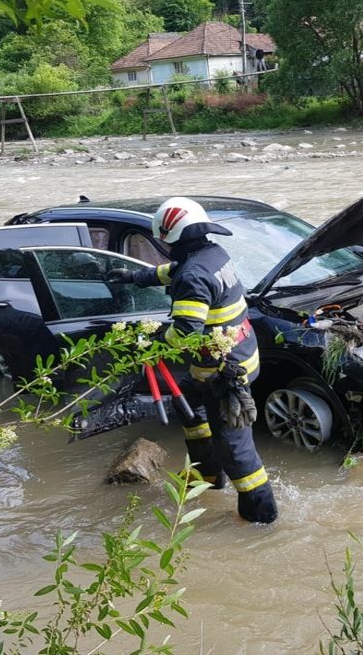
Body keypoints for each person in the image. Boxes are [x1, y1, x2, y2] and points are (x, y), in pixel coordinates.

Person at [106, 197, 278, 524]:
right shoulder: (213, 255)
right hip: (236, 355)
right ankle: (207, 478)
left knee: (234, 447)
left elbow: (185, 330)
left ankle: (261, 515)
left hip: (223, 371)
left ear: (170, 237)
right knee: (190, 402)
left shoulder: (194, 274)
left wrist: (152, 342)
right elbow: (177, 272)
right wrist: (134, 278)